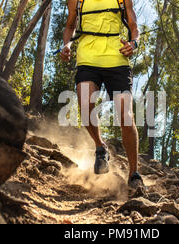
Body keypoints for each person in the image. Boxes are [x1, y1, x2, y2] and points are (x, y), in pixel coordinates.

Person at [61, 0, 144, 189]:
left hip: (117, 59)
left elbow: (133, 27)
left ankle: (134, 175)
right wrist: (67, 45)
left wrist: (134, 43)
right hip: (87, 57)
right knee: (85, 105)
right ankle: (100, 146)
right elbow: (70, 26)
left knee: (126, 116)